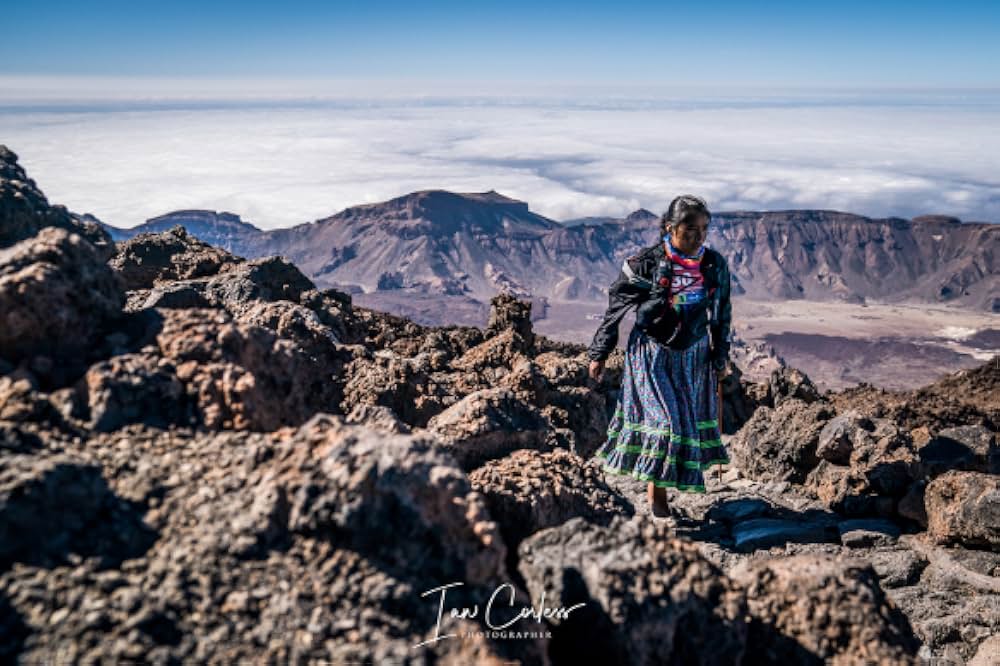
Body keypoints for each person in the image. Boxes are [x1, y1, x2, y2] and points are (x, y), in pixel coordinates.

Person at [586, 194, 732, 518]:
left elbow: (722, 315)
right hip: (650, 356)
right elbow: (615, 310)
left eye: (704, 229)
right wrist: (600, 352)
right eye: (690, 229)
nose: (699, 236)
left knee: (682, 425)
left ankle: (661, 493)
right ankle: (658, 501)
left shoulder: (713, 266)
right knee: (665, 426)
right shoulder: (646, 264)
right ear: (670, 227)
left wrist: (720, 358)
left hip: (692, 359)